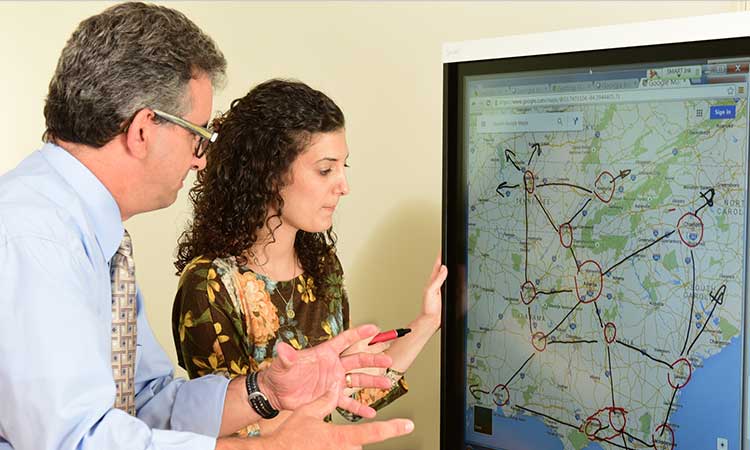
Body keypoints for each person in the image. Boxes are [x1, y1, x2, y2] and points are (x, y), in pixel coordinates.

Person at [0, 3, 414, 450]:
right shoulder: (35, 238)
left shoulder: (99, 240)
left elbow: (146, 402)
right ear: (143, 130)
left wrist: (266, 391)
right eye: (197, 134)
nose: (200, 158)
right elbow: (75, 442)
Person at [172, 79, 448, 437]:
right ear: (269, 173)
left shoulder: (321, 269)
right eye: (325, 169)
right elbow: (231, 429)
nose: (343, 185)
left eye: (344, 167)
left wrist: (429, 319)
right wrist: (324, 387)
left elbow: (352, 391)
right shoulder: (209, 286)